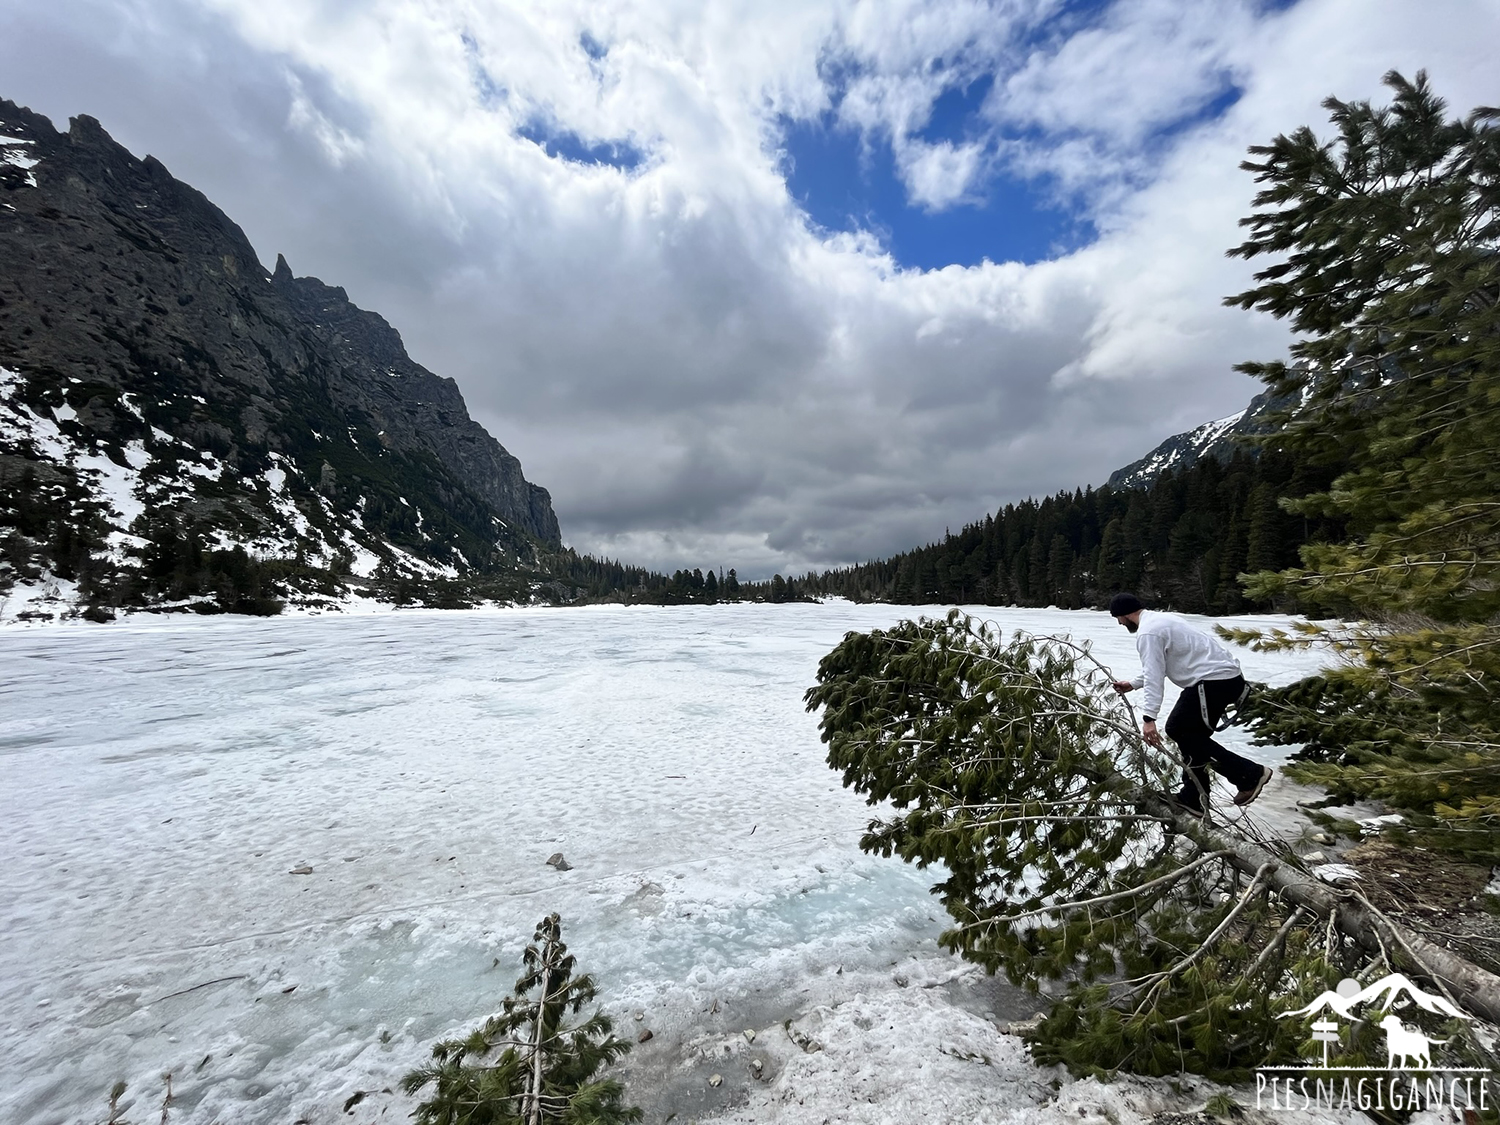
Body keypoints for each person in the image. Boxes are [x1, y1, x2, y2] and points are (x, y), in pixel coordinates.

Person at [1106, 592, 1273, 817]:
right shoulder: (1162, 620)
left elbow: (1155, 675)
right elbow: (1161, 666)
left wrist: (1148, 718)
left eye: (1117, 618)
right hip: (1224, 679)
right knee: (1192, 739)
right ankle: (1195, 800)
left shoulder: (1148, 632)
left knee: (1179, 729)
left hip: (1213, 681)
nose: (1118, 623)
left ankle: (1249, 774)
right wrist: (1134, 684)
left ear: (1124, 614)